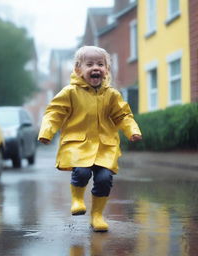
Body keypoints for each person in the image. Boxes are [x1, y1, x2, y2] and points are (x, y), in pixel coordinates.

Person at [38, 45, 142, 232]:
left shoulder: (111, 95)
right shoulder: (70, 92)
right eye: (90, 64)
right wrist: (47, 131)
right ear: (79, 69)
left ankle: (97, 215)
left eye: (100, 64)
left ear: (106, 70)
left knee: (104, 178)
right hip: (78, 145)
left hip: (105, 146)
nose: (96, 68)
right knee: (82, 172)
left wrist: (132, 130)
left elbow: (122, 115)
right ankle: (77, 200)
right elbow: (54, 112)